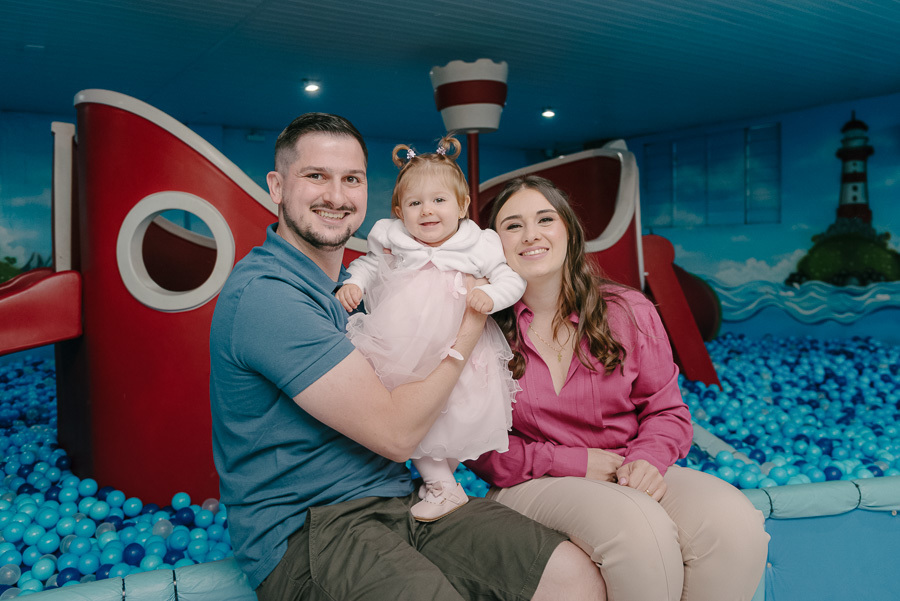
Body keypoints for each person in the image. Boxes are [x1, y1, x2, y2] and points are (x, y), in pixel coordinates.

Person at [209, 114, 607, 601]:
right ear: (277, 186)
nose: (336, 195)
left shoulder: (354, 283)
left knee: (571, 575)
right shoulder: (268, 295)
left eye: (351, 179)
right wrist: (468, 327)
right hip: (312, 528)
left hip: (400, 498)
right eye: (316, 176)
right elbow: (397, 435)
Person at [466, 175, 770, 601]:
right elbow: (477, 448)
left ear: (569, 232)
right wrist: (573, 461)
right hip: (528, 483)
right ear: (492, 244)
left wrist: (648, 459)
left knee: (736, 526)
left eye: (545, 219)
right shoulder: (479, 327)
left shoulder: (628, 311)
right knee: (639, 533)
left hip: (626, 469)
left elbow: (667, 412)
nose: (531, 234)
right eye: (512, 225)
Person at [336, 135, 524, 522]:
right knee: (409, 411)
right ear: (399, 210)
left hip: (458, 344)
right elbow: (370, 265)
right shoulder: (392, 236)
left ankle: (442, 479)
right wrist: (355, 282)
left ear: (462, 206)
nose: (427, 210)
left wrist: (491, 295)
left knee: (457, 412)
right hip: (405, 344)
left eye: (439, 200)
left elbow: (511, 279)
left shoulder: (479, 243)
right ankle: (442, 486)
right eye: (415, 202)